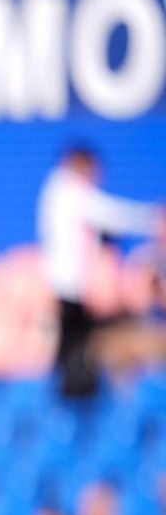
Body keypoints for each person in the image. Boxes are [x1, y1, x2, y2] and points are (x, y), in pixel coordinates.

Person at [36, 145, 160, 397]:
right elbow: (109, 214)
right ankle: (73, 392)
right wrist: (151, 218)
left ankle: (76, 390)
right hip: (68, 283)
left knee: (77, 339)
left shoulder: (63, 191)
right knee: (74, 341)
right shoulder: (69, 191)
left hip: (72, 283)